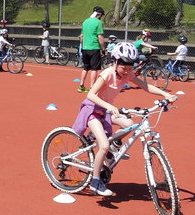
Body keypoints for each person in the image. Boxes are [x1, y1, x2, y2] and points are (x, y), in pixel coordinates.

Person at [72, 42, 177, 196]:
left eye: (130, 67)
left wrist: (165, 94)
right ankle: (95, 181)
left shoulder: (128, 74)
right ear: (115, 62)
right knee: (103, 146)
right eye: (124, 67)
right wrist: (108, 107)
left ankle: (114, 145)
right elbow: (91, 94)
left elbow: (145, 86)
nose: (128, 71)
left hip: (107, 111)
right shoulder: (107, 74)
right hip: (92, 110)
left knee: (129, 124)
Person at [78, 6, 105, 93]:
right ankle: (92, 87)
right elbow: (100, 37)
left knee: (85, 68)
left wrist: (82, 46)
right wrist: (103, 49)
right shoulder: (99, 22)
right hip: (94, 48)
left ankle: (81, 85)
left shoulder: (85, 21)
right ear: (99, 14)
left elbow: (81, 37)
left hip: (85, 48)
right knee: (94, 69)